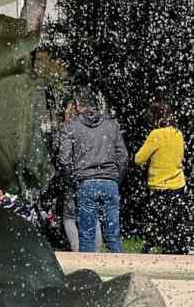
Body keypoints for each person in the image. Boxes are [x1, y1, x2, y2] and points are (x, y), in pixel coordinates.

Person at [58, 87, 128, 253]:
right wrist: (115, 180)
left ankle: (88, 268)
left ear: (77, 104)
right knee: (113, 237)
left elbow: (64, 159)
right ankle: (120, 265)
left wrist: (72, 182)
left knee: (87, 237)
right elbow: (124, 157)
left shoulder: (71, 126)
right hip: (110, 182)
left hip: (86, 183)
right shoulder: (111, 125)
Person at [135, 101, 190, 255]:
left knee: (156, 223)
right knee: (175, 223)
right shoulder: (178, 133)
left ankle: (150, 251)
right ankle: (176, 251)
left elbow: (139, 158)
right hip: (178, 185)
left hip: (159, 185)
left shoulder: (156, 134)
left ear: (155, 117)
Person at [57, 98, 102, 252]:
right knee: (92, 213)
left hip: (75, 176)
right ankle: (96, 253)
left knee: (69, 217)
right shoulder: (93, 127)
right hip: (92, 175)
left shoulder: (68, 128)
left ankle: (77, 252)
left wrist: (68, 178)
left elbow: (64, 158)